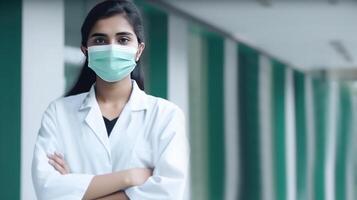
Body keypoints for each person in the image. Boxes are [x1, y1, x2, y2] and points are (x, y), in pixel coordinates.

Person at [31, 0, 189, 199]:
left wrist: (78, 190)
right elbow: (48, 190)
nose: (112, 48)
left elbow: (167, 193)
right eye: (100, 40)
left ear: (139, 50)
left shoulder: (166, 115)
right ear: (85, 50)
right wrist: (129, 177)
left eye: (123, 40)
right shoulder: (59, 113)